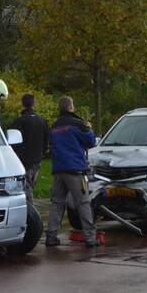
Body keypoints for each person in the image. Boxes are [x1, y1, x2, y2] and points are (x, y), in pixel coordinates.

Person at [45, 96, 98, 248]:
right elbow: (91, 141)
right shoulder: (78, 124)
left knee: (57, 203)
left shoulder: (55, 126)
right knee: (83, 203)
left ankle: (51, 236)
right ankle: (90, 237)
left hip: (58, 171)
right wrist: (88, 128)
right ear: (70, 107)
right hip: (75, 171)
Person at [9, 93, 49, 205]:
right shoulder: (43, 121)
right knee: (30, 186)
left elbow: (13, 142)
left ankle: (30, 215)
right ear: (34, 103)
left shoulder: (19, 121)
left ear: (23, 104)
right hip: (37, 160)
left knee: (27, 189)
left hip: (23, 161)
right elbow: (47, 141)